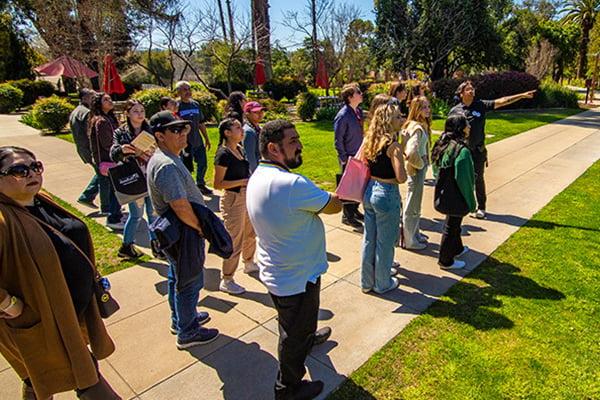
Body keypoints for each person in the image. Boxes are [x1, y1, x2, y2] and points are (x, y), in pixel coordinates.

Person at [0, 146, 120, 400]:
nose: (31, 173)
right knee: (85, 376)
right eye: (19, 170)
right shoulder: (3, 218)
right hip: (42, 322)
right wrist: (8, 304)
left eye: (35, 166)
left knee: (40, 376)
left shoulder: (40, 200)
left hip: (71, 313)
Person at [246, 119, 342, 400]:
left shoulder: (259, 175)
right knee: (292, 335)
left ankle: (307, 339)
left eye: (298, 138)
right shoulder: (291, 184)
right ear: (273, 148)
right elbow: (334, 205)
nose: (300, 145)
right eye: (293, 141)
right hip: (297, 275)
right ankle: (287, 388)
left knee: (295, 322)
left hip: (281, 269)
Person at [146, 111, 219, 349]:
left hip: (177, 232)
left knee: (176, 277)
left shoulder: (167, 157)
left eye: (184, 128)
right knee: (190, 282)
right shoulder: (166, 165)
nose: (183, 134)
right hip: (184, 232)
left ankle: (181, 319)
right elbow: (179, 205)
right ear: (160, 136)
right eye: (175, 130)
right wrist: (200, 228)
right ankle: (188, 332)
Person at [450, 81, 536, 219]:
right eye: (468, 89)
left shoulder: (480, 105)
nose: (472, 91)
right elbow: (449, 132)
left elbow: (502, 101)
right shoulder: (455, 111)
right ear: (461, 93)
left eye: (472, 89)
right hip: (461, 152)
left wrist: (521, 95)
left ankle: (481, 207)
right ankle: (462, 204)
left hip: (477, 151)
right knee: (460, 178)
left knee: (478, 179)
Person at [360, 101, 407, 294]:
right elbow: (401, 177)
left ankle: (367, 282)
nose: (401, 119)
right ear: (388, 121)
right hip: (386, 193)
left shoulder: (370, 141)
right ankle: (382, 283)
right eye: (397, 117)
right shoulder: (393, 146)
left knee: (369, 239)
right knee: (385, 243)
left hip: (369, 190)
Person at [110, 100, 162, 259]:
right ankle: (127, 246)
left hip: (150, 175)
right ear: (128, 113)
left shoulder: (150, 130)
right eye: (135, 111)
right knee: (136, 215)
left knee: (153, 214)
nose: (140, 114)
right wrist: (123, 150)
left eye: (142, 111)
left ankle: (156, 246)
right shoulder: (121, 133)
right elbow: (113, 153)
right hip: (134, 178)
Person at [213, 118, 258, 295]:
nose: (242, 130)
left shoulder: (239, 149)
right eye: (237, 127)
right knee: (234, 239)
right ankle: (227, 278)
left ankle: (249, 262)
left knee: (250, 233)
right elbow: (218, 183)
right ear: (227, 132)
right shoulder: (223, 154)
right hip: (233, 200)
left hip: (246, 196)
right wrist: (244, 181)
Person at [431, 114, 476, 269]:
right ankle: (445, 260)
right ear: (460, 128)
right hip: (456, 196)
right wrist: (471, 202)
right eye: (466, 125)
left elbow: (436, 170)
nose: (469, 127)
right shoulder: (462, 151)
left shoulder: (443, 145)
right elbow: (466, 181)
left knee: (454, 223)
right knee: (452, 226)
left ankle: (457, 248)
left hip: (444, 192)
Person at [88, 92, 124, 230]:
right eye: (106, 100)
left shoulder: (108, 118)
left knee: (115, 189)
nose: (110, 101)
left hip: (112, 159)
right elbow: (107, 144)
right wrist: (121, 150)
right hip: (109, 160)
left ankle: (117, 213)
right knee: (115, 190)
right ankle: (113, 217)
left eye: (110, 99)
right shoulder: (101, 121)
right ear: (99, 103)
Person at [401, 96, 432, 250]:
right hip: (416, 171)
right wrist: (421, 163)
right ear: (416, 109)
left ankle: (415, 234)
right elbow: (410, 152)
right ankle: (410, 240)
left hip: (416, 170)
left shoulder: (416, 125)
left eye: (428, 106)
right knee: (412, 206)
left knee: (415, 204)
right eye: (424, 107)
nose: (428, 110)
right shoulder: (417, 128)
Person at [334, 82, 364, 229]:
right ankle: (347, 216)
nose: (361, 94)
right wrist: (344, 158)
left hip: (358, 155)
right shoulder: (343, 115)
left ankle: (355, 210)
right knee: (348, 186)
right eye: (358, 92)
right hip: (349, 157)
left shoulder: (357, 111)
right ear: (351, 97)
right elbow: (338, 139)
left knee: (358, 185)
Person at [175, 81, 213, 195]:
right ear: (178, 92)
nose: (188, 92)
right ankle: (188, 188)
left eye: (189, 89)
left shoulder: (195, 104)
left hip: (198, 141)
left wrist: (206, 138)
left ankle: (200, 184)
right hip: (185, 143)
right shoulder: (177, 106)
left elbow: (201, 123)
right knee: (187, 166)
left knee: (203, 163)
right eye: (184, 90)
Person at [70, 88, 101, 210]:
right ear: (83, 98)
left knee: (103, 174)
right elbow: (91, 134)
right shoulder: (86, 113)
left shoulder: (76, 111)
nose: (93, 99)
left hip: (83, 148)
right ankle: (87, 196)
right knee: (104, 174)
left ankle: (88, 196)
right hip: (90, 149)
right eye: (91, 96)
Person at [242, 101, 264, 173]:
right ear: (247, 114)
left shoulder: (259, 128)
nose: (260, 114)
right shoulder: (249, 132)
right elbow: (250, 157)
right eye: (256, 112)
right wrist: (255, 174)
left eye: (261, 111)